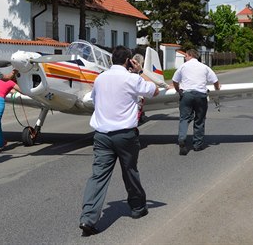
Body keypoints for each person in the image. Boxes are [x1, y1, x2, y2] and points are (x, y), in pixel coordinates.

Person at [79, 46, 159, 236]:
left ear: (111, 60)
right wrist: (140, 71)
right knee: (130, 171)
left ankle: (87, 217)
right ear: (128, 61)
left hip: (101, 135)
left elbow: (95, 101)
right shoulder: (132, 78)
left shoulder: (99, 79)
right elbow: (154, 90)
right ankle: (138, 208)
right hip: (125, 134)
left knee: (98, 177)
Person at [171, 49, 220, 155]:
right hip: (201, 95)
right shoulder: (204, 67)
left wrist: (178, 90)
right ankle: (197, 145)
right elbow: (215, 81)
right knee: (199, 120)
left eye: (185, 56)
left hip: (186, 95)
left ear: (189, 55)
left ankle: (182, 139)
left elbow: (174, 81)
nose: (185, 58)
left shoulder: (183, 66)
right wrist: (217, 90)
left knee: (184, 118)